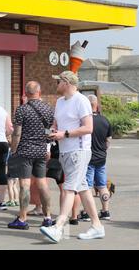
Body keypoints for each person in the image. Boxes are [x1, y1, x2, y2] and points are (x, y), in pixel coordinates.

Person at [40, 71, 105, 243]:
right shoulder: (60, 102)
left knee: (69, 188)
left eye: (58, 81)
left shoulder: (81, 100)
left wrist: (65, 134)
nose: (56, 84)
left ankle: (58, 226)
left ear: (67, 82)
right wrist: (51, 132)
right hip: (65, 151)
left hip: (79, 150)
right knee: (82, 188)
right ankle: (97, 226)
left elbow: (88, 128)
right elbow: (56, 125)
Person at [8, 81, 54, 230]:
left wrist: (13, 149)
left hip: (25, 151)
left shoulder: (22, 110)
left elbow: (17, 133)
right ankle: (47, 217)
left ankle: (22, 219)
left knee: (24, 185)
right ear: (39, 92)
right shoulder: (48, 109)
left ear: (26, 93)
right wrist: (45, 145)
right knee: (42, 183)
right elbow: (49, 131)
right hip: (41, 151)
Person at [75, 95, 113, 221]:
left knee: (88, 186)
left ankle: (86, 212)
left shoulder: (85, 121)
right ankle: (105, 211)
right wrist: (102, 150)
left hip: (88, 158)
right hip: (102, 158)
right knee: (102, 185)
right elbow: (108, 141)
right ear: (97, 104)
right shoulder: (105, 120)